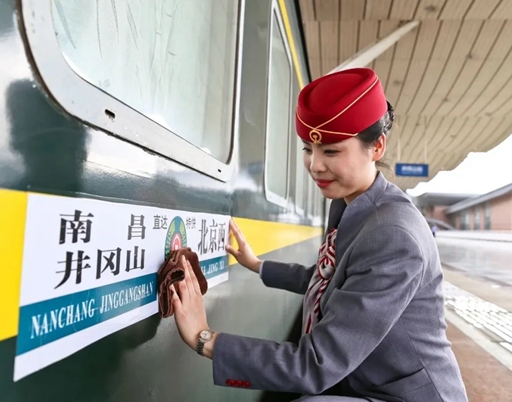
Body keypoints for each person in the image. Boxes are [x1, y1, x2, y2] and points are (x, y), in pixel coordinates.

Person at [169, 67, 468, 402]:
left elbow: (316, 365)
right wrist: (258, 265)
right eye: (308, 150)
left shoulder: (393, 235)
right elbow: (332, 281)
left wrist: (204, 337)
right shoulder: (352, 203)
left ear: (377, 146)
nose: (315, 165)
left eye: (331, 151)